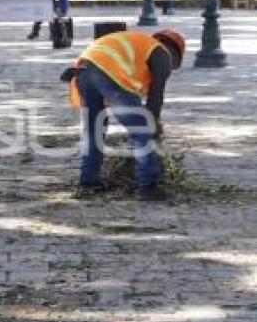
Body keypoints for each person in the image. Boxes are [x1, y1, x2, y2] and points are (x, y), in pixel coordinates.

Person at [62, 29, 186, 202]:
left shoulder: (139, 45)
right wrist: (154, 124)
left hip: (83, 70)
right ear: (176, 55)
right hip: (110, 72)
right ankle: (148, 186)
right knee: (142, 129)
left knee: (94, 130)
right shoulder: (162, 54)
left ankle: (88, 182)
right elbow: (156, 96)